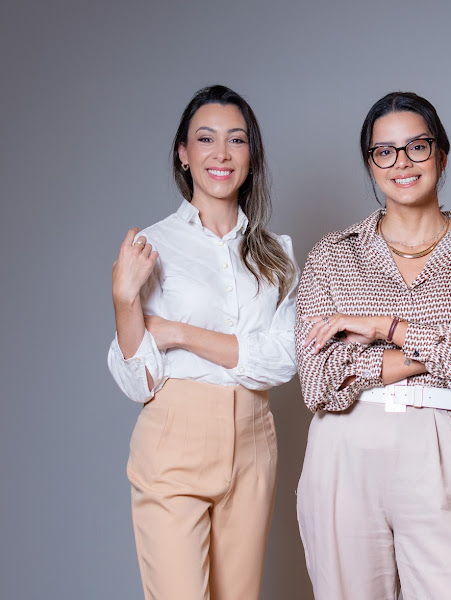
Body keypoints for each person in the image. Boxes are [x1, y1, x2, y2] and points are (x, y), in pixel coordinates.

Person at [294, 91, 451, 600]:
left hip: (440, 441)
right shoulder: (332, 255)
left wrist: (382, 327)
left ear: (442, 154)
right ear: (370, 164)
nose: (402, 162)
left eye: (417, 146)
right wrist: (446, 341)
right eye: (385, 151)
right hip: (344, 447)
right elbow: (318, 383)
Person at [107, 85, 297, 600]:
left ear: (251, 156)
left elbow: (282, 360)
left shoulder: (276, 254)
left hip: (254, 442)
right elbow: (139, 381)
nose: (222, 153)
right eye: (206, 139)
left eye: (236, 139)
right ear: (183, 154)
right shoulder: (152, 246)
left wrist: (179, 333)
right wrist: (124, 301)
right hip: (175, 437)